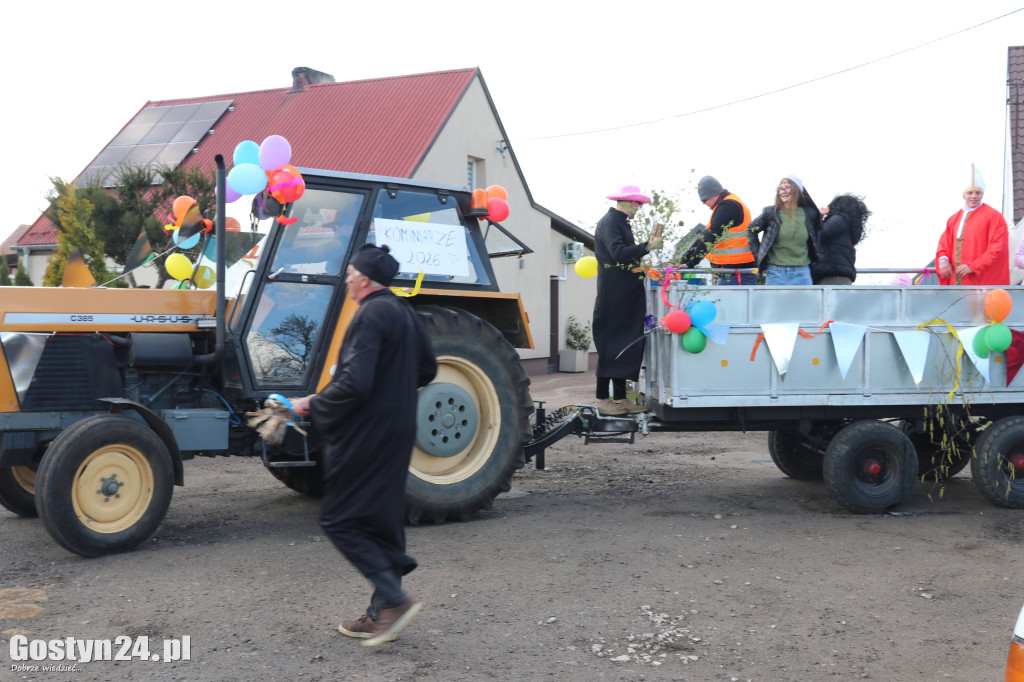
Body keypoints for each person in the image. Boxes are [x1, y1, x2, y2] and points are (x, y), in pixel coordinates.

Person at [290, 243, 438, 648]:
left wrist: (312, 404)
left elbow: (355, 384)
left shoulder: (371, 314)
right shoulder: (403, 312)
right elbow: (428, 367)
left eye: (351, 272)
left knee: (340, 518)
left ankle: (394, 600)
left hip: (367, 433)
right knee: (381, 518)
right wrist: (394, 389)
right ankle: (379, 614)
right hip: (397, 430)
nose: (347, 279)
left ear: (366, 279)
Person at [592, 185, 663, 416]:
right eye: (639, 204)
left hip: (623, 292)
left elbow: (625, 257)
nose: (640, 209)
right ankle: (602, 398)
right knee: (610, 345)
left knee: (623, 343)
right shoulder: (611, 222)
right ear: (630, 202)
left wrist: (641, 264)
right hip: (615, 294)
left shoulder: (619, 222)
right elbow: (619, 253)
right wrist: (647, 247)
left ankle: (621, 398)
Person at [935, 165, 1009, 285]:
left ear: (983, 194)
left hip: (982, 282)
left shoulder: (994, 217)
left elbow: (998, 247)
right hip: (956, 282)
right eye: (970, 193)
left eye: (978, 193)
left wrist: (974, 266)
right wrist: (943, 261)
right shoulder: (953, 219)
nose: (974, 196)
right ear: (963, 195)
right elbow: (943, 245)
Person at [677, 175, 756, 284]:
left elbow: (711, 236)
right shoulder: (725, 205)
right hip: (732, 272)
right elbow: (704, 236)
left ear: (713, 194)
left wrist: (691, 263)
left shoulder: (728, 206)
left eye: (704, 200)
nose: (704, 204)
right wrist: (684, 260)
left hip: (737, 273)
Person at [748, 175, 822, 285]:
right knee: (774, 303)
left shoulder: (810, 214)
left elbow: (817, 237)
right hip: (775, 273)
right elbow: (751, 230)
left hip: (802, 272)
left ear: (797, 190)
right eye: (780, 188)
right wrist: (759, 256)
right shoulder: (770, 213)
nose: (783, 191)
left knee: (804, 303)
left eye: (787, 187)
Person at [811, 194, 871, 285]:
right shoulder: (848, 226)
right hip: (839, 276)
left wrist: (818, 215)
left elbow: (820, 233)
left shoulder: (840, 219)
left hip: (831, 277)